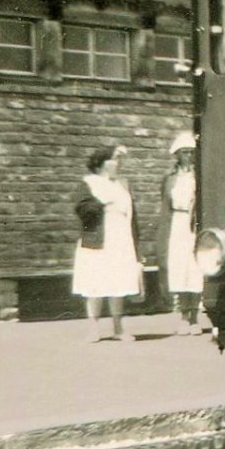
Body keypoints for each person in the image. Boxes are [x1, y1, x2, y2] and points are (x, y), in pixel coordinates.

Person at [72, 145, 142, 342]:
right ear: (102, 162)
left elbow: (132, 216)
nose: (119, 163)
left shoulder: (124, 184)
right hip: (98, 240)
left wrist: (136, 245)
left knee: (118, 283)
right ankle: (94, 328)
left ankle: (118, 328)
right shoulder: (89, 183)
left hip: (121, 238)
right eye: (115, 158)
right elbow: (82, 209)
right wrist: (103, 202)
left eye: (120, 159)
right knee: (95, 283)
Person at [156, 132, 204, 335]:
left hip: (194, 224)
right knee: (180, 269)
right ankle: (184, 316)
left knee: (194, 269)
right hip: (176, 224)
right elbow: (165, 204)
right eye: (184, 152)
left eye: (192, 152)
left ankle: (195, 318)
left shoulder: (199, 176)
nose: (189, 156)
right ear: (177, 155)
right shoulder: (169, 178)